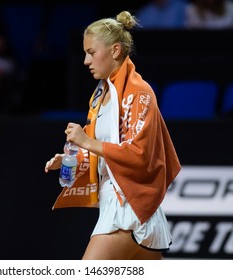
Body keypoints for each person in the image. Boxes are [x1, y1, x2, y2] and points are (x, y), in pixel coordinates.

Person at [44, 10, 181, 260]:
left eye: (91, 52)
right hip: (118, 205)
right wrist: (73, 158)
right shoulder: (100, 95)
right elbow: (104, 149)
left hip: (128, 209)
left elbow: (138, 154)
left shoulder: (139, 92)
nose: (86, 60)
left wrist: (86, 141)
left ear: (115, 51)